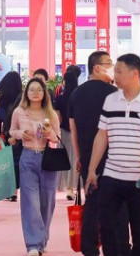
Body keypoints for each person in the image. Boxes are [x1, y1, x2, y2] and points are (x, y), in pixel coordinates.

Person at [87, 53, 140, 256]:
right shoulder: (111, 100)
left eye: (119, 71)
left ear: (134, 74)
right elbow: (102, 135)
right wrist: (92, 169)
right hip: (112, 175)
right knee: (107, 227)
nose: (115, 75)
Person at [68, 51, 130, 256]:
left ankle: (89, 247)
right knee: (119, 205)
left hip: (88, 157)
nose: (113, 67)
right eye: (109, 63)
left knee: (92, 204)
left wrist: (79, 156)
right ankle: (121, 248)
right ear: (97, 67)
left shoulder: (76, 94)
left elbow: (73, 129)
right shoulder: (114, 93)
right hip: (115, 156)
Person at [10, 78, 61, 256]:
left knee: (47, 202)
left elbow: (57, 137)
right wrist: (20, 134)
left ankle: (42, 238)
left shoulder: (51, 113)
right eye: (31, 89)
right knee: (30, 201)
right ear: (26, 93)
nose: (35, 93)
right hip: (28, 157)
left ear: (44, 93)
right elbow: (11, 131)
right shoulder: (19, 111)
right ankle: (33, 244)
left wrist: (49, 133)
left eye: (39, 89)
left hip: (47, 159)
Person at [0, 71, 23, 201]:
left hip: (7, 134)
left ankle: (9, 189)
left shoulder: (3, 99)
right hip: (20, 133)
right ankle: (14, 191)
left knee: (7, 162)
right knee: (17, 162)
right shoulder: (22, 98)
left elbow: (0, 116)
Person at [55, 68, 79, 200]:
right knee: (75, 158)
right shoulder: (79, 96)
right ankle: (72, 187)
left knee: (64, 159)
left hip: (64, 131)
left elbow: (58, 118)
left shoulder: (59, 98)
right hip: (77, 132)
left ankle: (66, 187)